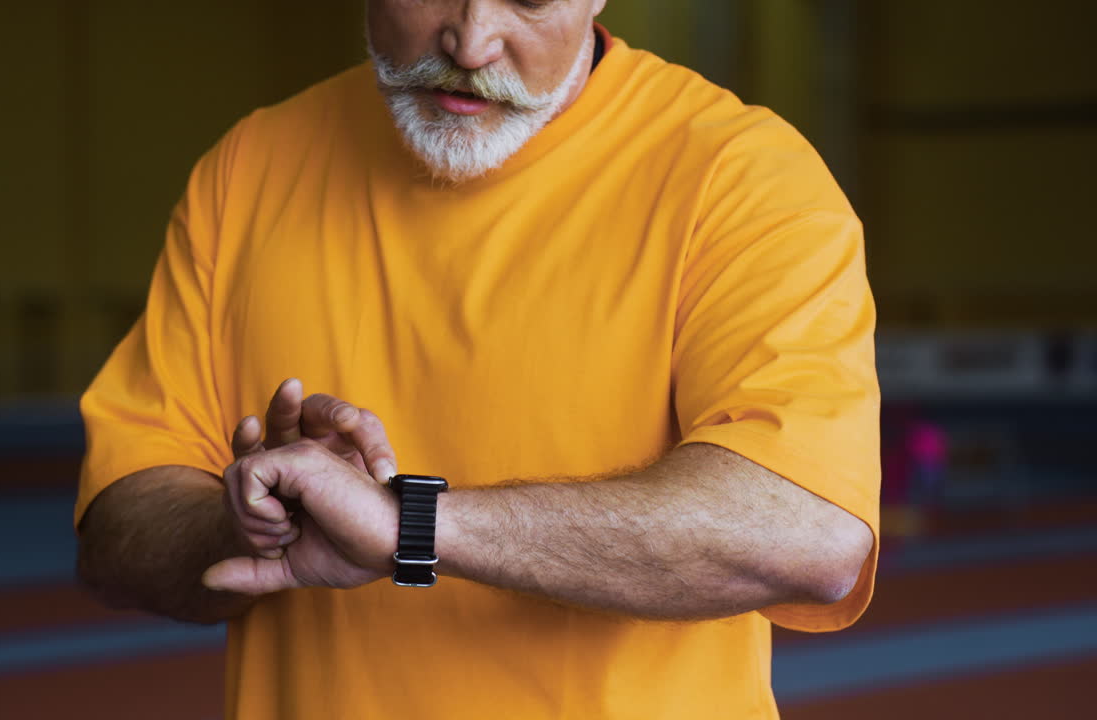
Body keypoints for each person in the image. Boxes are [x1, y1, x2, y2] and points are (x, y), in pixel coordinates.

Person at [75, 1, 880, 718]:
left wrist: (408, 527)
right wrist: (256, 520)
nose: (470, 40)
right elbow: (118, 525)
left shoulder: (740, 178)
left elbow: (807, 531)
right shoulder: (248, 170)